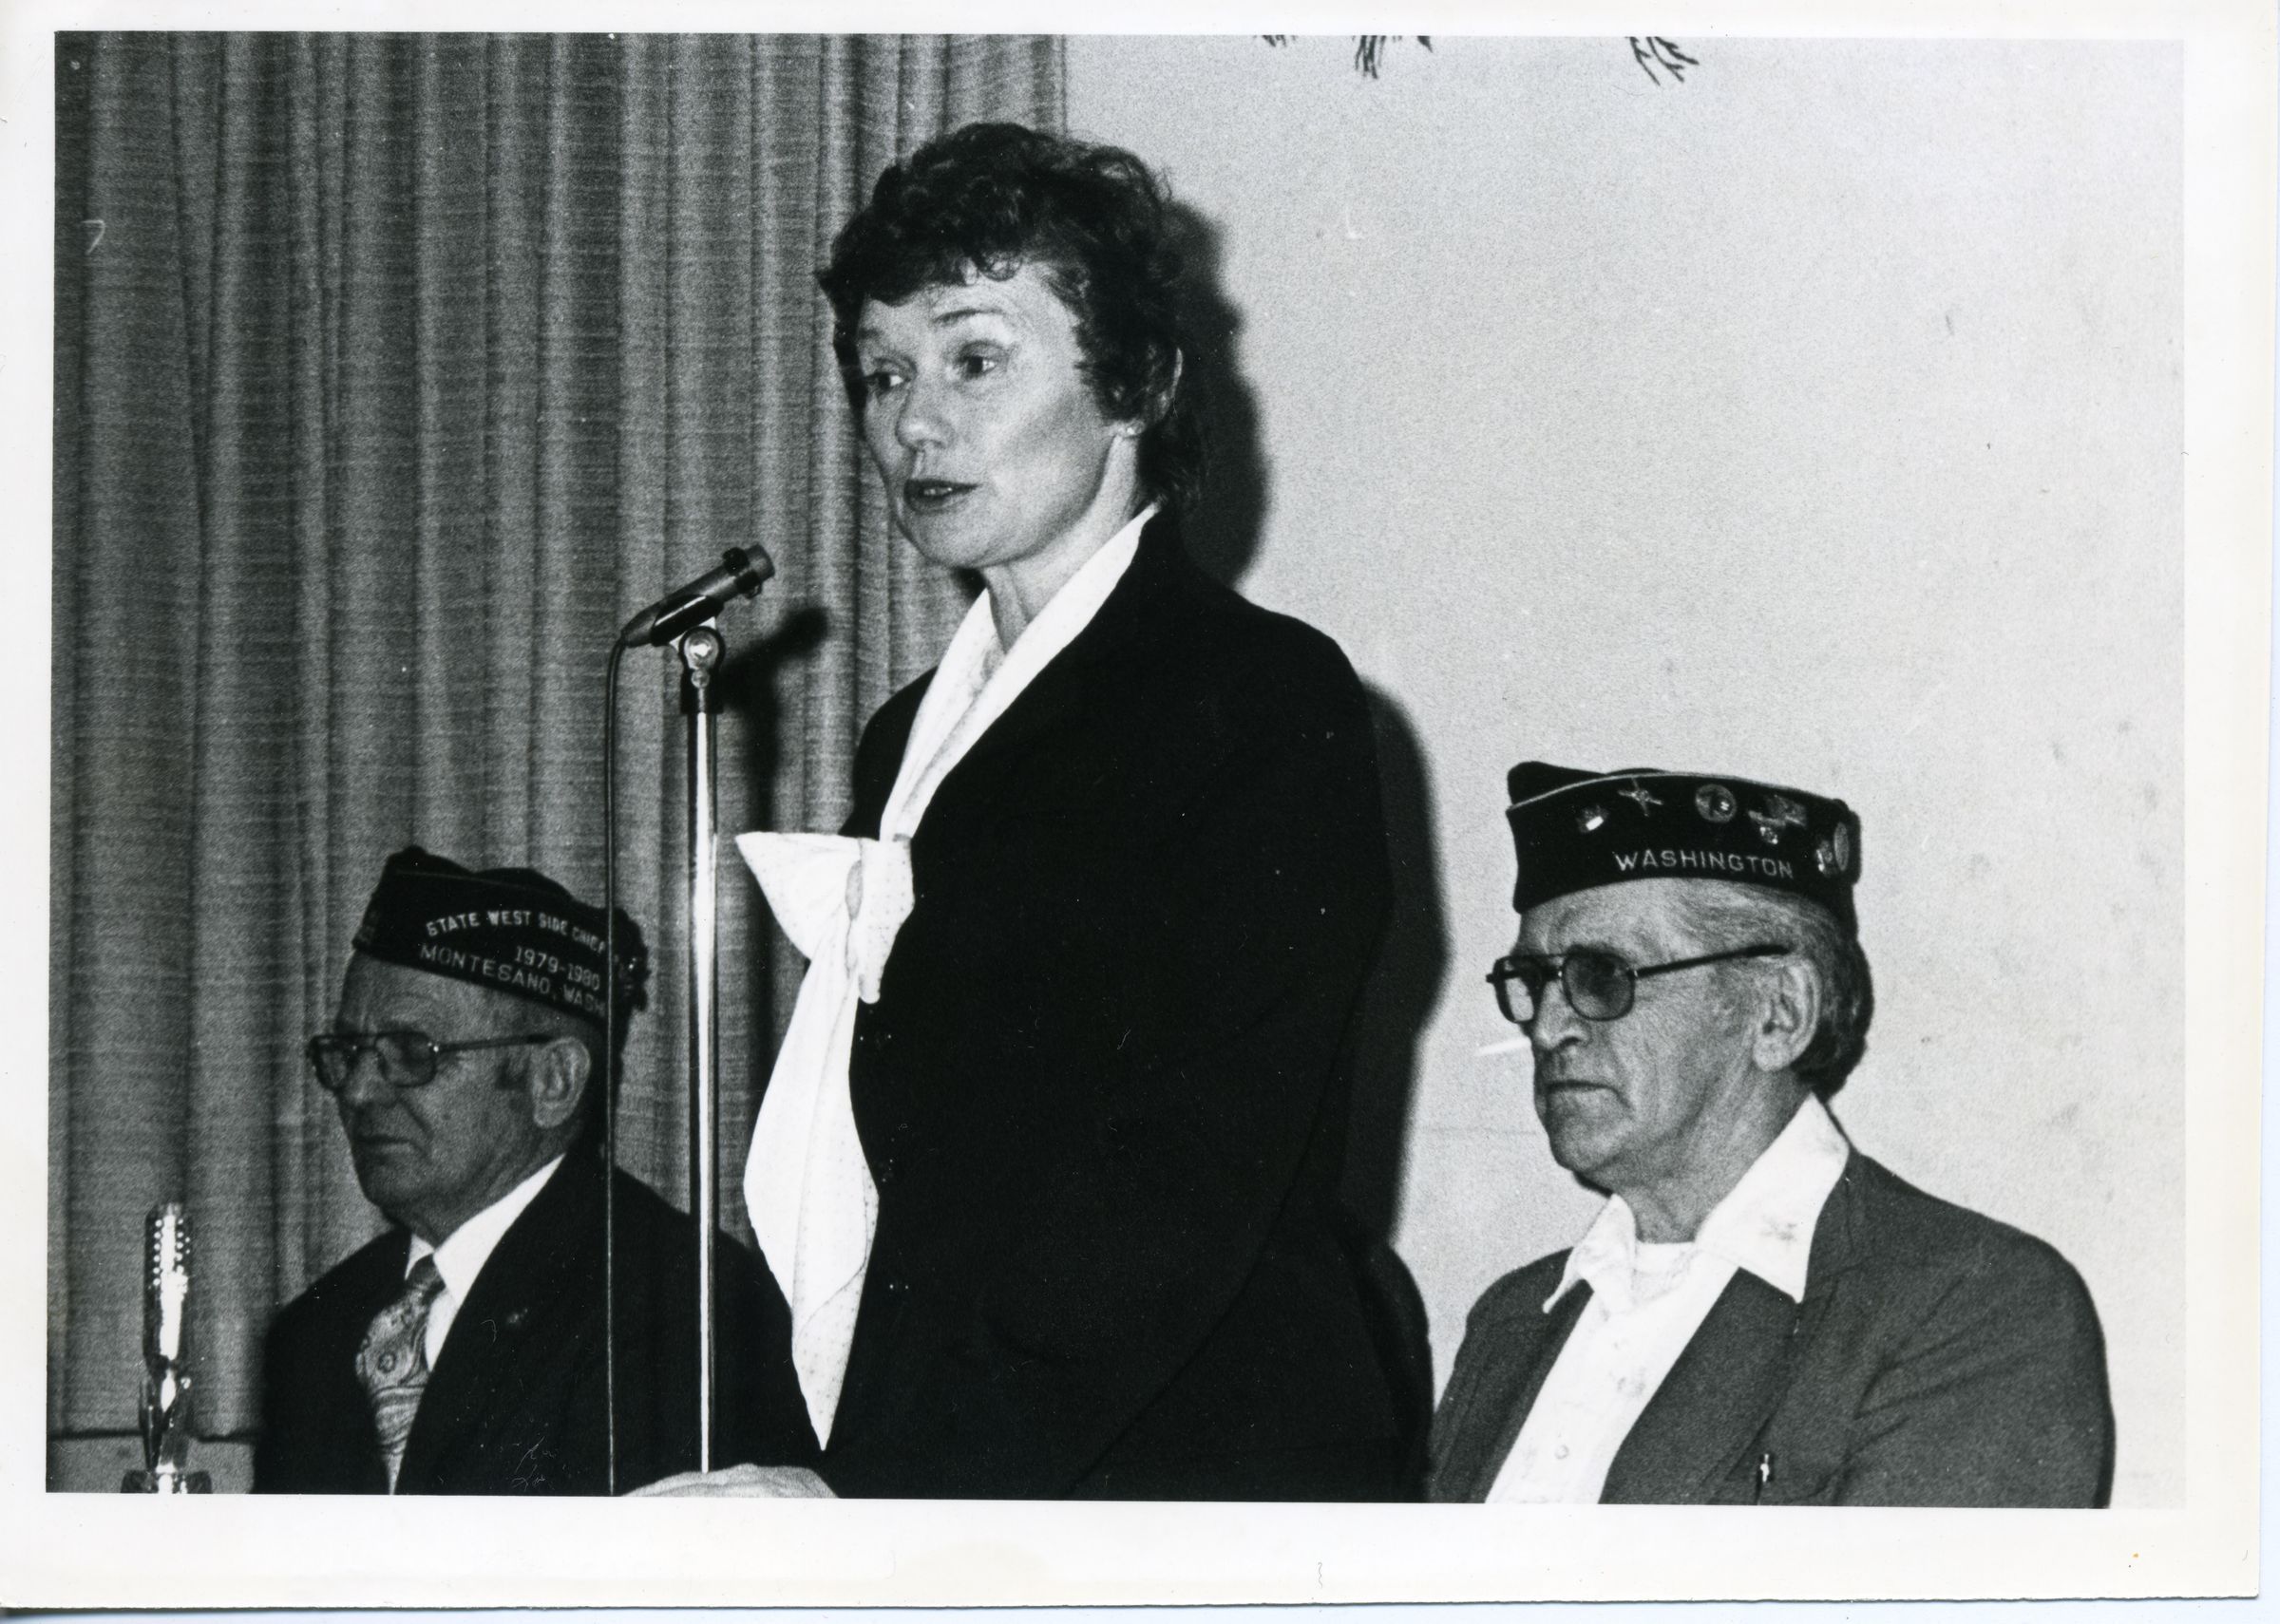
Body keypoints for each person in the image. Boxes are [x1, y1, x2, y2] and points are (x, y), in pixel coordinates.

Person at [657, 122, 1415, 1500]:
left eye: (975, 358)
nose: (913, 421)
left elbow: (1180, 1186)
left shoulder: (1259, 697)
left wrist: (891, 1494)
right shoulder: (908, 739)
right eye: (883, 372)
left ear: (1134, 383)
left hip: (1191, 1477)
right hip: (967, 1466)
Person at [1428, 762, 2115, 1506]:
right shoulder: (1514, 1318)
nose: (1546, 1027)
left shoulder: (1965, 1307)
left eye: (1603, 976)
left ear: (1779, 1013)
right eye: (1535, 981)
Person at [254, 847, 814, 1495]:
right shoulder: (315, 1335)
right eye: (348, 1052)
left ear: (554, 1082)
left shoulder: (683, 1313)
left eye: (411, 1053)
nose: (357, 1092)